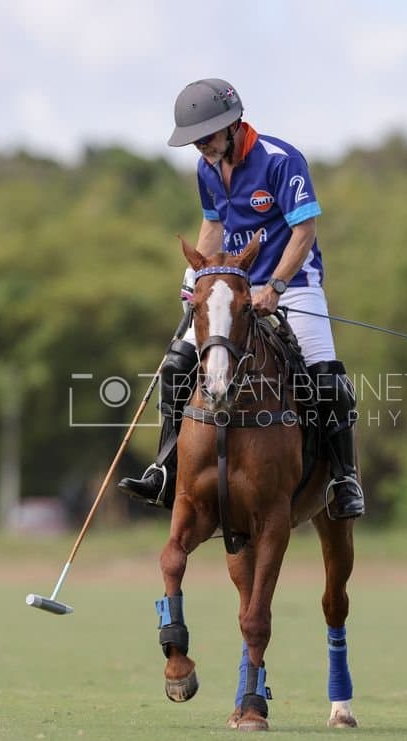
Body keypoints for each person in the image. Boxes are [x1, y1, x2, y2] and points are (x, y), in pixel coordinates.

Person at [117, 77, 364, 519]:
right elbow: (213, 226)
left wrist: (278, 286)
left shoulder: (280, 160)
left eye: (205, 137)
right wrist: (196, 277)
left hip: (296, 283)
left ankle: (344, 478)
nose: (200, 148)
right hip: (229, 288)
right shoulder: (206, 168)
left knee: (327, 379)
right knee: (176, 365)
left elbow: (304, 231)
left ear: (232, 125)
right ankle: (164, 469)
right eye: (193, 142)